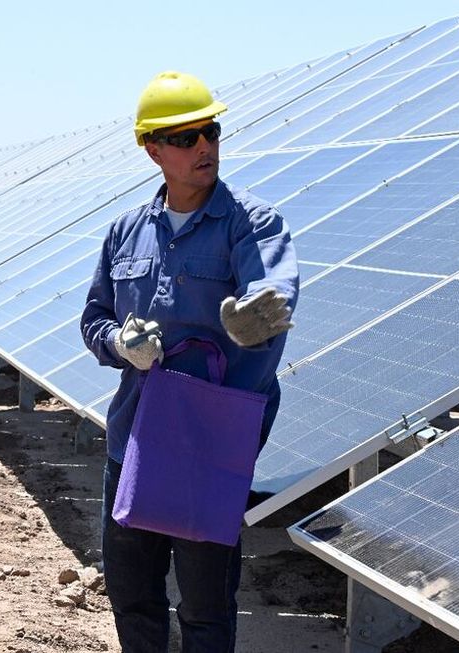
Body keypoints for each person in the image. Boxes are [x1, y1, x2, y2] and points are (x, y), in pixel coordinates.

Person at [80, 71, 299, 652]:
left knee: (204, 604)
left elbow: (272, 293)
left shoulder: (251, 223)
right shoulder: (125, 233)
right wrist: (120, 345)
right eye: (185, 137)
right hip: (136, 437)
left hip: (210, 441)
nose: (204, 146)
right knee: (133, 593)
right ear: (152, 149)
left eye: (211, 131)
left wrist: (252, 320)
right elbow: (93, 319)